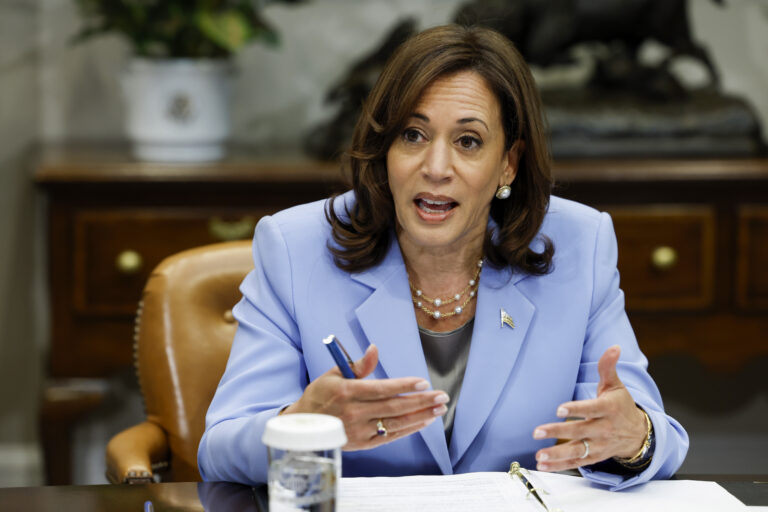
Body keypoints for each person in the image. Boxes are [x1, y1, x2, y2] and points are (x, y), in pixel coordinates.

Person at [198, 24, 688, 490]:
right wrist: (301, 426)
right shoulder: (294, 247)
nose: (436, 168)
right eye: (413, 134)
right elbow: (219, 447)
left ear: (508, 164)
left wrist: (633, 438)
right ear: (384, 148)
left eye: (468, 141)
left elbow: (651, 432)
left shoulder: (580, 244)